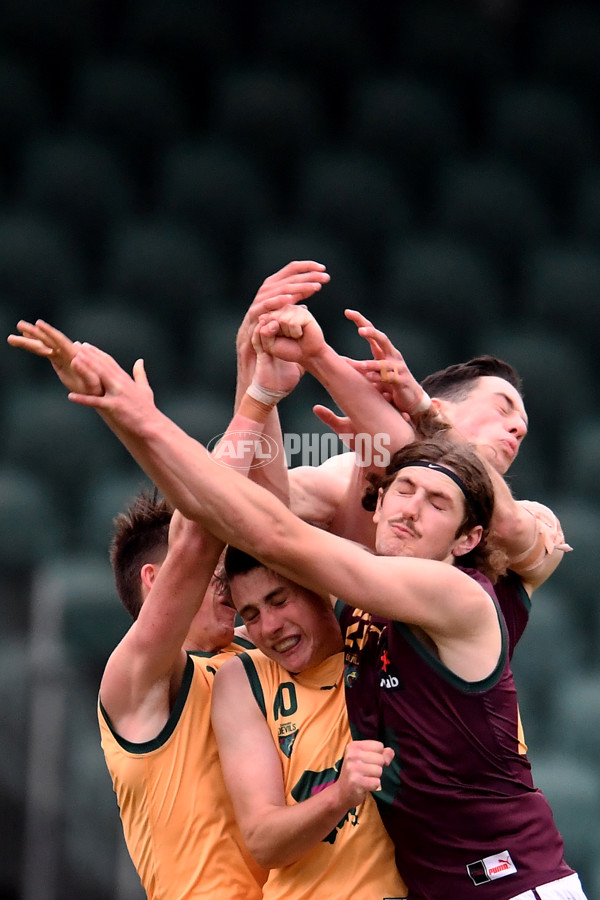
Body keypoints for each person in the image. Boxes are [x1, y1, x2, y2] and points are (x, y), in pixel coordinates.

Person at [51, 338, 586, 900]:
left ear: (468, 537)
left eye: (435, 504)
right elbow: (254, 520)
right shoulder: (313, 636)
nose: (411, 508)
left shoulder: (460, 592)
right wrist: (251, 394)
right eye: (401, 493)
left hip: (515, 884)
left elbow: (269, 530)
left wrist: (313, 374)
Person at [256, 303, 570, 591]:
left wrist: (319, 357)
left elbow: (504, 521)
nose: (519, 428)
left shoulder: (538, 519)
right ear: (440, 409)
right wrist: (255, 369)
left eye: (523, 428)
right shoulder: (344, 472)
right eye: (503, 409)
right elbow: (247, 503)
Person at [211, 547, 408, 899]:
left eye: (279, 600)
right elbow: (263, 841)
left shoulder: (387, 639)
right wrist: (340, 795)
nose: (269, 626)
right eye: (251, 615)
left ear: (320, 584)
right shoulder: (244, 679)